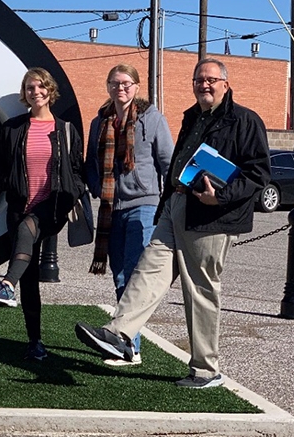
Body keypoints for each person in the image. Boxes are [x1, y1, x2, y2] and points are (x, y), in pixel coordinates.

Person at [75, 58, 270, 388]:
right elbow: (177, 166)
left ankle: (206, 370)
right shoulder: (193, 117)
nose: (203, 85)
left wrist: (219, 198)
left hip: (211, 216)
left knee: (200, 291)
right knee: (148, 271)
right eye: (198, 80)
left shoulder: (244, 121)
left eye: (210, 80)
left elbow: (258, 175)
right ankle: (117, 333)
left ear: (225, 83)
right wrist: (165, 204)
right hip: (175, 205)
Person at [0, 68, 85, 361]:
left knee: (29, 229)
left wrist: (73, 192)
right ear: (24, 93)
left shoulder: (65, 129)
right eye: (29, 87)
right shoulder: (13, 128)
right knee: (28, 275)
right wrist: (9, 185)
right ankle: (35, 342)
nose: (35, 91)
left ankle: (5, 285)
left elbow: (76, 168)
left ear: (50, 90)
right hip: (19, 206)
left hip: (52, 207)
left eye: (40, 86)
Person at [84, 63, 173, 366]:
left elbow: (167, 162)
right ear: (108, 87)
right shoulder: (100, 121)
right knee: (120, 273)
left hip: (144, 204)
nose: (120, 88)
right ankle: (126, 343)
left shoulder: (152, 118)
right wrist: (97, 188)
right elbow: (91, 163)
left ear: (136, 86)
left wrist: (166, 203)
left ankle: (128, 345)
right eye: (114, 83)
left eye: (125, 83)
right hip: (110, 208)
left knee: (136, 272)